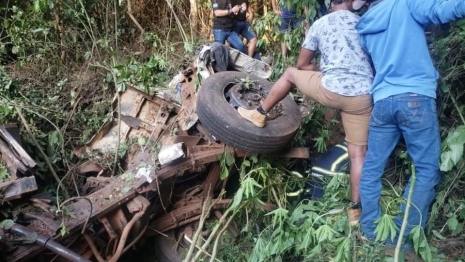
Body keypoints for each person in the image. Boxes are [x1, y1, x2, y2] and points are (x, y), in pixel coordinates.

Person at [238, 0, 374, 226]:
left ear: (331, 4)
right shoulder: (364, 23)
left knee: (290, 73)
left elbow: (302, 64)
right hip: (363, 95)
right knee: (358, 154)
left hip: (332, 89)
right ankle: (356, 212)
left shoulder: (321, 23)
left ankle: (260, 113)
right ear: (352, 4)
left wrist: (324, 71)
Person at [355, 0, 465, 251]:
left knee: (372, 167)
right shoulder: (404, 4)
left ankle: (371, 230)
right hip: (415, 96)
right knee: (426, 170)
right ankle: (402, 238)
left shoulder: (364, 25)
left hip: (382, 101)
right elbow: (441, 10)